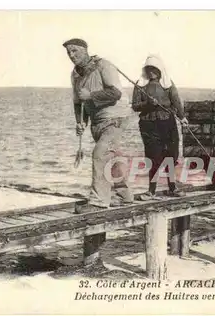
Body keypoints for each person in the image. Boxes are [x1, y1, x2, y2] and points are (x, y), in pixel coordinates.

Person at [63, 38, 134, 208]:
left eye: (75, 51)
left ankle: (98, 201)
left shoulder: (104, 65)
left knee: (100, 154)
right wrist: (80, 122)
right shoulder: (75, 74)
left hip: (115, 118)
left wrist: (91, 96)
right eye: (68, 53)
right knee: (113, 156)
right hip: (97, 121)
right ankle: (123, 195)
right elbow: (78, 102)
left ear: (85, 50)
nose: (71, 55)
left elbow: (115, 93)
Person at [131, 55, 189, 200]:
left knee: (171, 155)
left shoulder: (168, 84)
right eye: (149, 69)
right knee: (154, 156)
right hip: (148, 125)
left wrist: (182, 117)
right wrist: (148, 104)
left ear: (160, 70)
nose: (151, 72)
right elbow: (135, 106)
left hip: (167, 122)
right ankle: (151, 190)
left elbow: (176, 101)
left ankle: (172, 187)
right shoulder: (140, 85)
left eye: (154, 69)